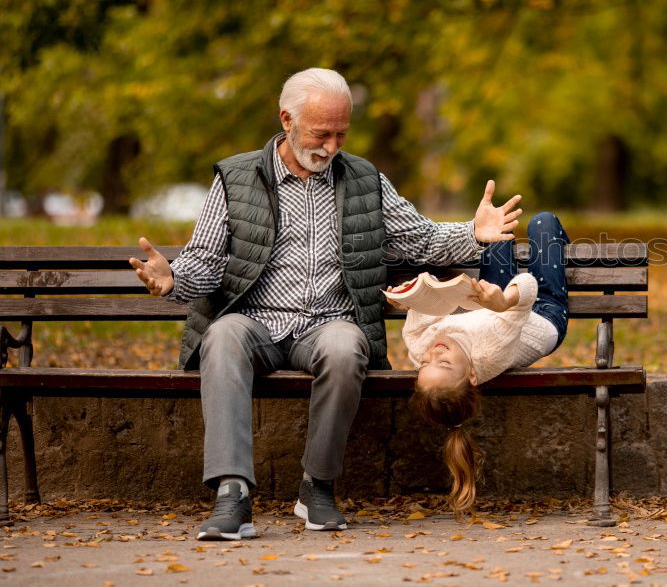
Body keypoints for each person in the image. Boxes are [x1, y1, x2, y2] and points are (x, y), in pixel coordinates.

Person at [128, 68, 522, 540]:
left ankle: (318, 485)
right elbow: (207, 259)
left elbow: (419, 237)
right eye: (321, 134)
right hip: (256, 322)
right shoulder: (236, 177)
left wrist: (472, 234)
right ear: (286, 120)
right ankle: (231, 493)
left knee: (345, 345)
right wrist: (173, 279)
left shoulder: (363, 179)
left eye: (341, 133)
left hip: (329, 322)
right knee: (222, 334)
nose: (332, 146)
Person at [387, 211, 569, 517]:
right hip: (539, 316)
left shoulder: (422, 350)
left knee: (495, 238)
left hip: (485, 311)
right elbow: (527, 288)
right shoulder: (490, 350)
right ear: (472, 374)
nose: (434, 351)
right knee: (543, 223)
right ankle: (554, 246)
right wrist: (504, 302)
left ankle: (499, 286)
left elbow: (422, 320)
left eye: (426, 363)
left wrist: (414, 296)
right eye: (443, 362)